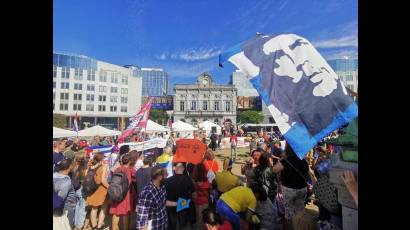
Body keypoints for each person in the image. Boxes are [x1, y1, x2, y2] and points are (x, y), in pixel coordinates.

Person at [274, 143, 309, 227]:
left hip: (289, 189)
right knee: (300, 210)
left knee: (289, 212)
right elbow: (307, 174)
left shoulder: (285, 161)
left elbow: (274, 170)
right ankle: (300, 227)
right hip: (302, 188)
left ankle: (290, 227)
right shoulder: (304, 161)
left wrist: (282, 159)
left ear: (287, 149)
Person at [164, 162, 196, 230]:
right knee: (183, 225)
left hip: (171, 207)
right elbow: (194, 194)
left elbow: (164, 196)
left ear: (174, 169)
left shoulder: (167, 180)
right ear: (183, 169)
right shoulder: (188, 179)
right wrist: (192, 202)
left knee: (173, 225)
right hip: (184, 204)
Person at [136, 166, 169, 230]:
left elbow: (164, 202)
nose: (167, 176)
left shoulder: (162, 187)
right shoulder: (147, 194)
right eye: (166, 174)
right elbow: (142, 222)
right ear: (159, 177)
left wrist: (178, 204)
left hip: (163, 225)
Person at [109, 154, 137, 230]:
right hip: (126, 195)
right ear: (130, 161)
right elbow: (134, 181)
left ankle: (114, 228)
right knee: (126, 213)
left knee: (116, 212)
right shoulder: (131, 170)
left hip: (116, 192)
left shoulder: (117, 169)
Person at [86, 152, 110, 230]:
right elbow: (103, 180)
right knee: (103, 208)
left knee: (94, 208)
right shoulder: (103, 167)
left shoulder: (90, 166)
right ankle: (100, 226)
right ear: (102, 158)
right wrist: (109, 187)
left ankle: (94, 226)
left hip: (92, 189)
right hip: (101, 189)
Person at [53, 158, 77, 230]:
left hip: (58, 207)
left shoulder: (54, 175)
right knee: (67, 226)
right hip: (65, 208)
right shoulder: (66, 182)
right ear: (70, 167)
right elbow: (60, 199)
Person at [71, 151, 88, 230]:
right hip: (81, 188)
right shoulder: (83, 167)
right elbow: (84, 179)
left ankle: (75, 223)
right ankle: (79, 225)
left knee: (77, 206)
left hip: (74, 189)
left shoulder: (72, 165)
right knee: (82, 207)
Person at [192, 163, 212, 229]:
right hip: (206, 202)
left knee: (199, 218)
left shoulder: (193, 181)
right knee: (206, 219)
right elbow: (210, 193)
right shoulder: (207, 182)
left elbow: (193, 194)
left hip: (197, 202)